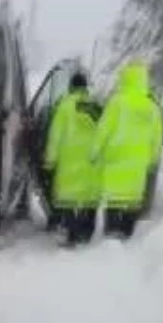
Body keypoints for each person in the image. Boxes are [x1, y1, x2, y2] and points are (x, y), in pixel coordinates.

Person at [90, 61, 163, 239]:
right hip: (137, 171)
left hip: (116, 168)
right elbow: (156, 139)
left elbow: (103, 130)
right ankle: (126, 241)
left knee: (114, 208)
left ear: (125, 79)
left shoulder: (117, 103)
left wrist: (94, 153)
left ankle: (111, 244)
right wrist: (153, 161)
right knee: (130, 209)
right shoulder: (152, 108)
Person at [43, 72, 102, 245]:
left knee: (68, 200)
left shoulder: (65, 106)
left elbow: (56, 135)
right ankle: (87, 232)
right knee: (89, 199)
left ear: (71, 86)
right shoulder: (97, 106)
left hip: (69, 164)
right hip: (92, 163)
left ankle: (72, 234)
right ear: (85, 87)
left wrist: (50, 160)